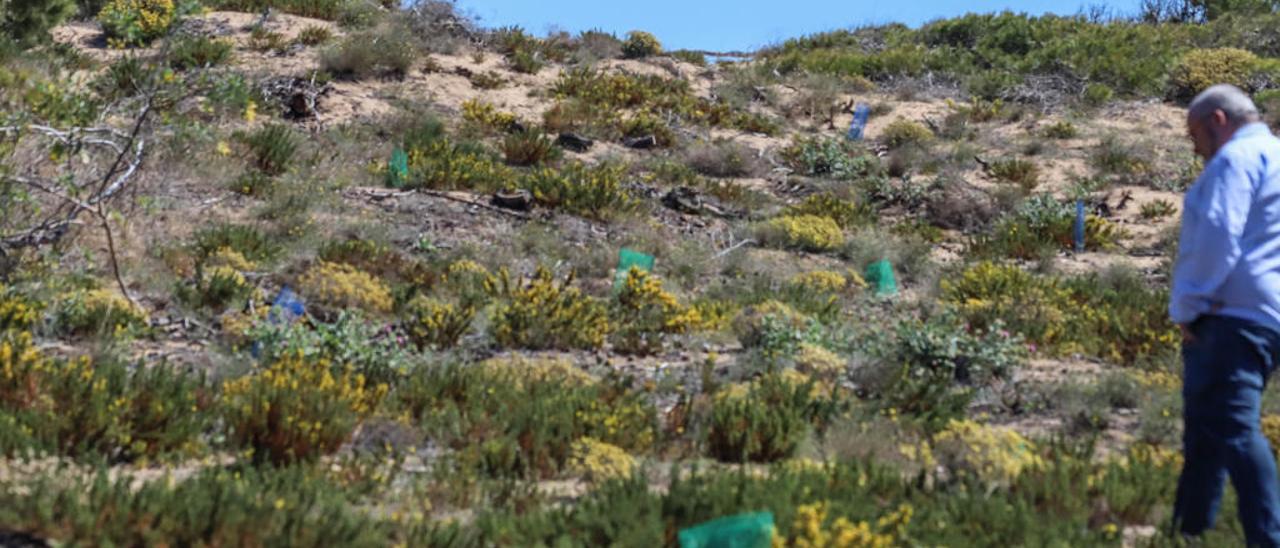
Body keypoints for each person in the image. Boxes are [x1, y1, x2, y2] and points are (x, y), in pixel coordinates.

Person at [1171, 84, 1280, 546]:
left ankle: (1267, 537)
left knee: (1233, 429)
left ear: (1218, 120)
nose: (1195, 148)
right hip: (1268, 314)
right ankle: (1187, 532)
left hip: (1229, 314)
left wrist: (1189, 304)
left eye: (1195, 134)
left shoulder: (1235, 160)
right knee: (1207, 435)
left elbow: (1217, 232)